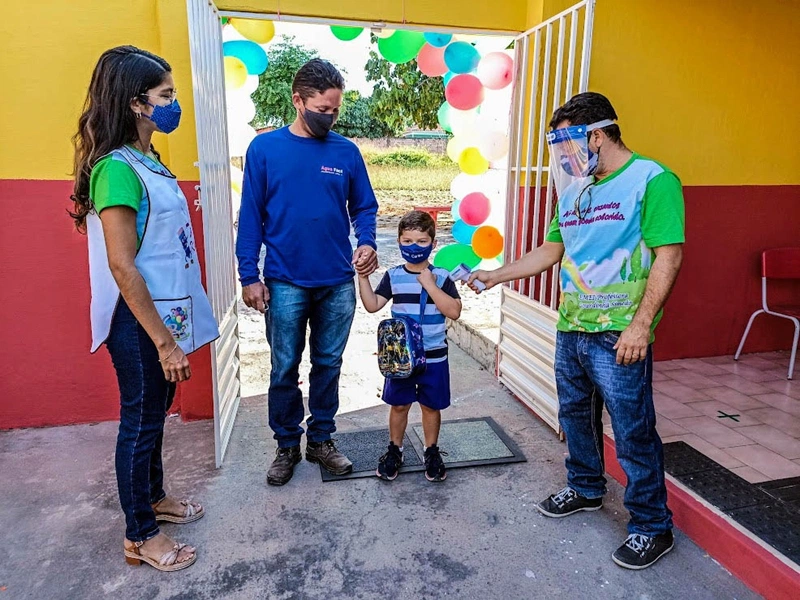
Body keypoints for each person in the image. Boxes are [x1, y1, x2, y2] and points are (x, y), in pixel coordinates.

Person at [469, 92, 685, 570]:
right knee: (575, 417)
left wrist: (641, 326)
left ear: (595, 135)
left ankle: (653, 526)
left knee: (632, 432)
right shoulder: (574, 191)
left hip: (619, 334)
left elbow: (668, 255)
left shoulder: (653, 180)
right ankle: (587, 487)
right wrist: (494, 275)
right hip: (573, 328)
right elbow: (551, 252)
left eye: (566, 146)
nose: (563, 158)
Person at [69, 46, 220, 571]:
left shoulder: (148, 161)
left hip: (161, 318)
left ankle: (154, 499)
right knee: (139, 422)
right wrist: (163, 341)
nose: (173, 105)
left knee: (153, 417)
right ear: (137, 103)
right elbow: (123, 265)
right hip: (137, 324)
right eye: (166, 96)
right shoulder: (115, 169)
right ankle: (140, 534)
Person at [236, 59, 379, 486]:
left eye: (335, 110)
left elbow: (365, 207)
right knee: (283, 367)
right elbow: (251, 218)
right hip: (284, 282)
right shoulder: (265, 150)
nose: (330, 117)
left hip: (336, 281)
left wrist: (367, 241)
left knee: (328, 364)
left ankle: (320, 440)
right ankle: (285, 446)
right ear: (298, 101)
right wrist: (249, 275)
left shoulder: (346, 152)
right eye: (322, 109)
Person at [359, 211, 462, 482]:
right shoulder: (393, 276)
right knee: (400, 405)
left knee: (430, 406)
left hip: (434, 357)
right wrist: (361, 277)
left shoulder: (441, 276)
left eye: (421, 240)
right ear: (398, 241)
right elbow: (372, 305)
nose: (414, 247)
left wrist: (430, 285)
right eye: (407, 241)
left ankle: (431, 451)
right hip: (401, 359)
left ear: (433, 243)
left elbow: (453, 311)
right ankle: (395, 449)